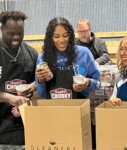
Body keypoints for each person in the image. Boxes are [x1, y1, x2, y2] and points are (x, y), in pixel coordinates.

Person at [35, 17, 100, 149]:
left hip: (80, 114)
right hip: (53, 116)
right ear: (50, 37)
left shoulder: (84, 53)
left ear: (71, 35)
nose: (61, 40)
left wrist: (87, 83)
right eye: (56, 36)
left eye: (65, 35)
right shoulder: (43, 58)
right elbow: (42, 94)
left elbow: (98, 84)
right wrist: (41, 80)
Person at [0, 11, 38, 145]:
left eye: (20, 33)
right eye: (11, 34)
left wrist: (31, 87)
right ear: (1, 29)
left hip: (24, 123)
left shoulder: (31, 53)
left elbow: (39, 82)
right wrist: (9, 97)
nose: (16, 37)